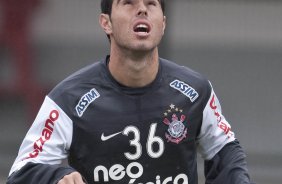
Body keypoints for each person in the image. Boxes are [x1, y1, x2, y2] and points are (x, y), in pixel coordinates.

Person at [7, 0, 255, 183]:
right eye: (128, 3)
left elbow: (226, 153)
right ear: (106, 23)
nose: (142, 9)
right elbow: (21, 174)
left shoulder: (195, 91)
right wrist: (58, 176)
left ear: (163, 23)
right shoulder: (68, 100)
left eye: (151, 3)